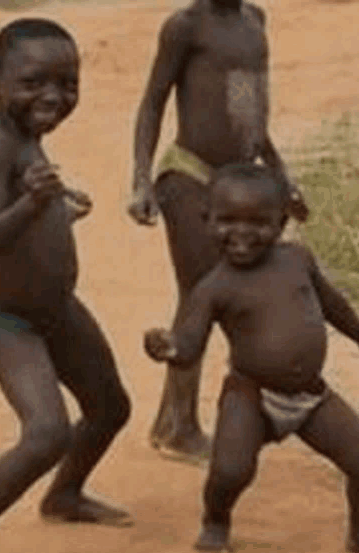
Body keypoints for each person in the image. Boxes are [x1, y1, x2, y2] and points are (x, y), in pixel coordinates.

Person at [144, 164, 359, 553]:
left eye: (258, 223)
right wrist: (169, 348)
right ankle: (215, 521)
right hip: (251, 395)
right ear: (206, 220)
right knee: (231, 471)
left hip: (311, 396)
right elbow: (190, 345)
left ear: (281, 222)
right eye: (227, 221)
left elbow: (331, 303)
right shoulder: (214, 287)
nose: (242, 234)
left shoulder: (297, 259)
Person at [0, 18, 132, 553]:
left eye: (67, 82)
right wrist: (34, 206)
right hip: (7, 321)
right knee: (46, 432)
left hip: (57, 309)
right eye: (33, 83)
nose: (53, 96)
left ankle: (64, 493)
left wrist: (59, 208)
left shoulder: (26, 140)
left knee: (109, 407)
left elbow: (25, 209)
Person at [128, 0, 308, 462]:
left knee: (211, 295)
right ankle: (181, 426)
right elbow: (153, 103)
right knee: (204, 293)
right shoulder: (186, 26)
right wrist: (142, 180)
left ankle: (173, 421)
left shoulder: (254, 21)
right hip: (190, 174)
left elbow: (249, 111)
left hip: (239, 185)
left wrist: (278, 176)